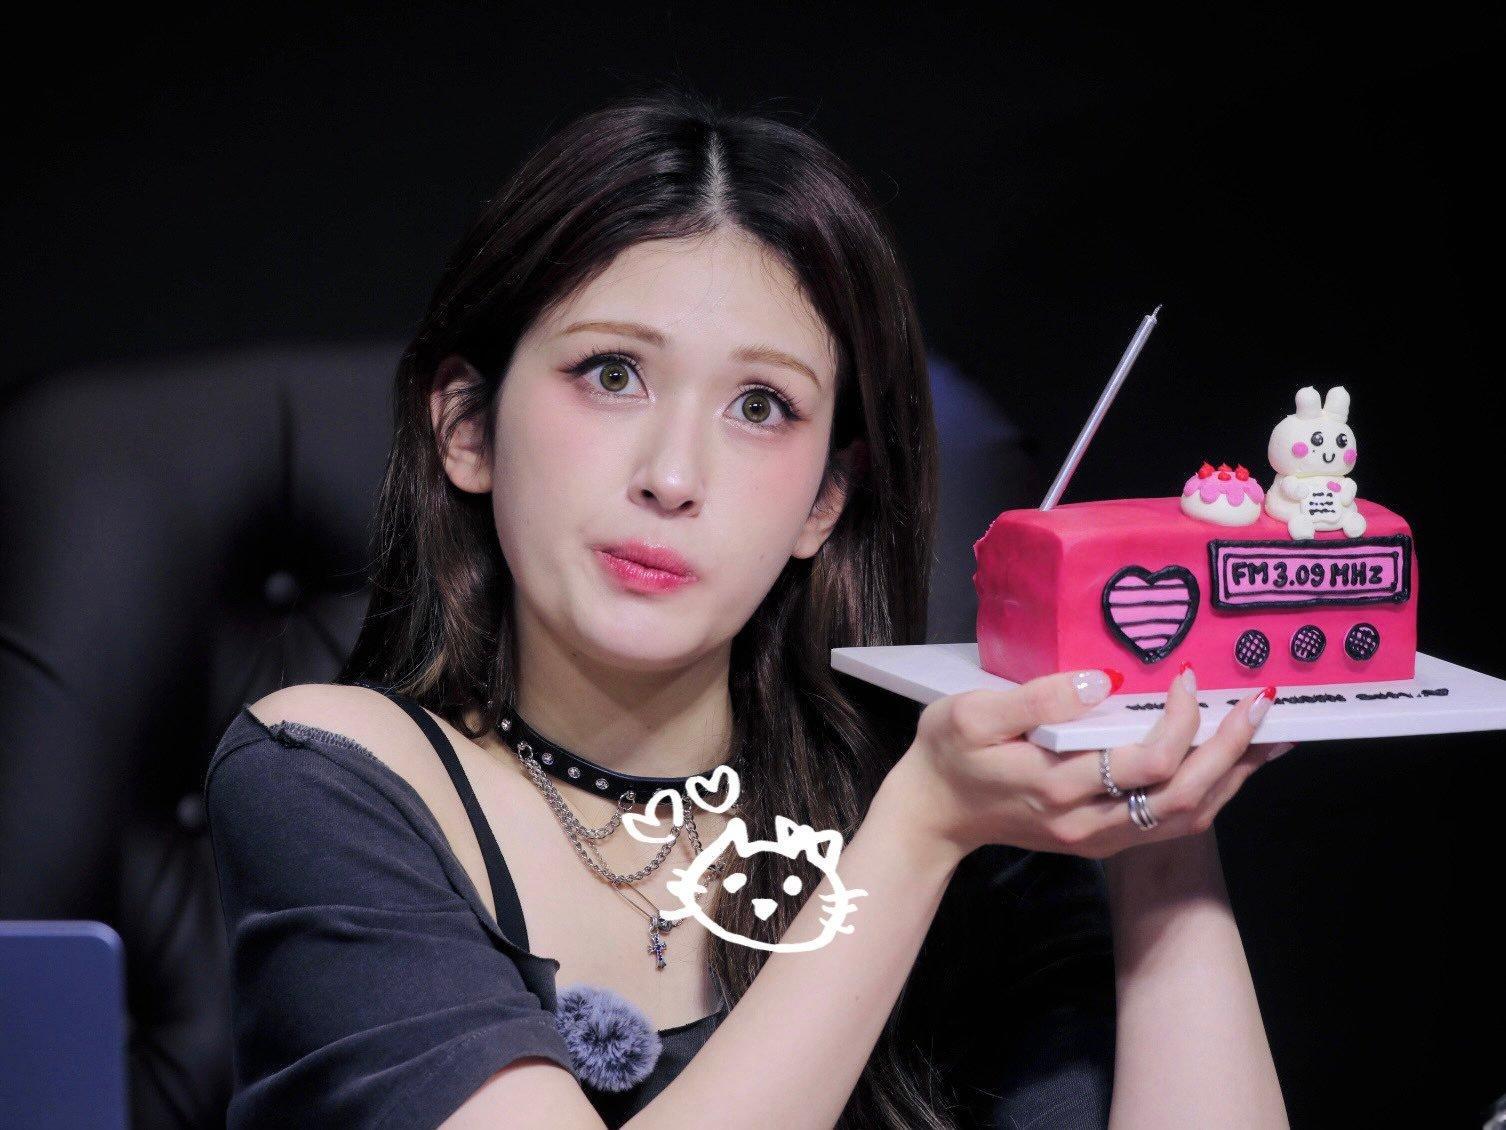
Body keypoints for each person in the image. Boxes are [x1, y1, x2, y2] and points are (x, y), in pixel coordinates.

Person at [204, 85, 1292, 1129]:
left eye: (761, 406)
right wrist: (918, 832)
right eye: (612, 374)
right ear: (467, 428)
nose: (673, 476)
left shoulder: (982, 802)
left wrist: (1162, 842)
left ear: (825, 500)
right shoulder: (327, 776)